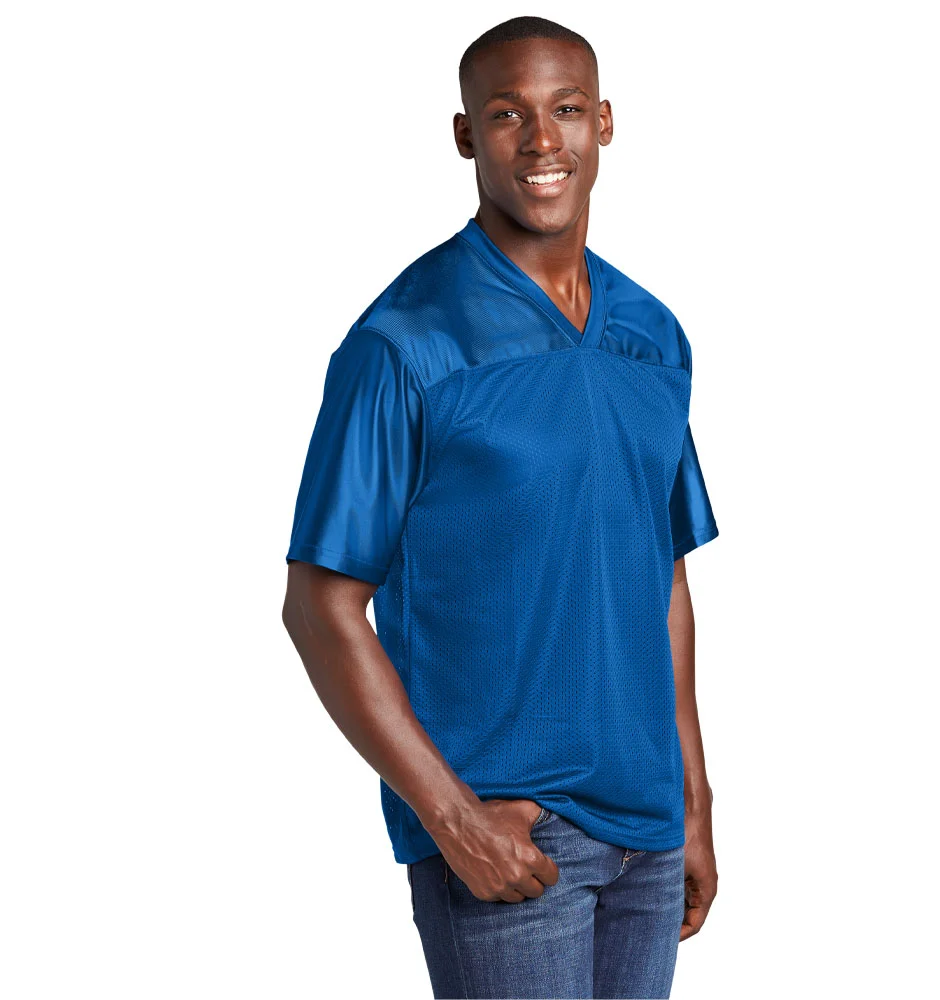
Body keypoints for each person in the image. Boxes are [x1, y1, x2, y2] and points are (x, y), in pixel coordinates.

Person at [282, 15, 720, 999]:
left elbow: (663, 574)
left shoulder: (652, 336)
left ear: (604, 123)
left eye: (566, 109)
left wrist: (692, 796)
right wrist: (451, 818)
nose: (541, 139)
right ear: (465, 134)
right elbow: (319, 605)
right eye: (507, 114)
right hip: (511, 833)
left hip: (648, 830)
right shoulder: (404, 343)